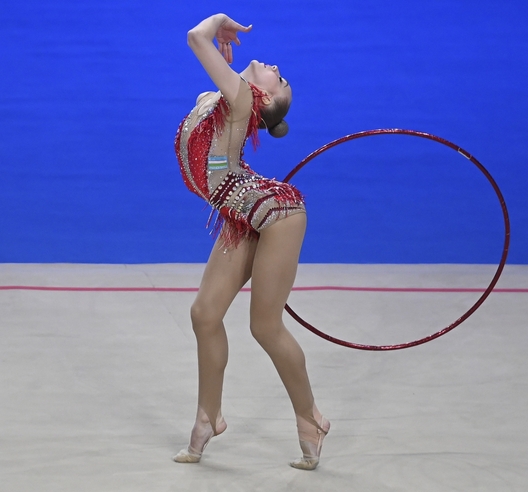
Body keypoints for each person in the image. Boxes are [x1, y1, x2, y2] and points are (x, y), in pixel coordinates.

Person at [172, 13, 329, 470]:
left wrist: (220, 22)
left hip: (276, 214)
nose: (278, 68)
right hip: (241, 214)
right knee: (204, 314)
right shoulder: (218, 97)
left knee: (265, 326)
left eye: (282, 80)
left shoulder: (241, 99)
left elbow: (194, 37)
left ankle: (310, 418)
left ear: (265, 99)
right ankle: (208, 416)